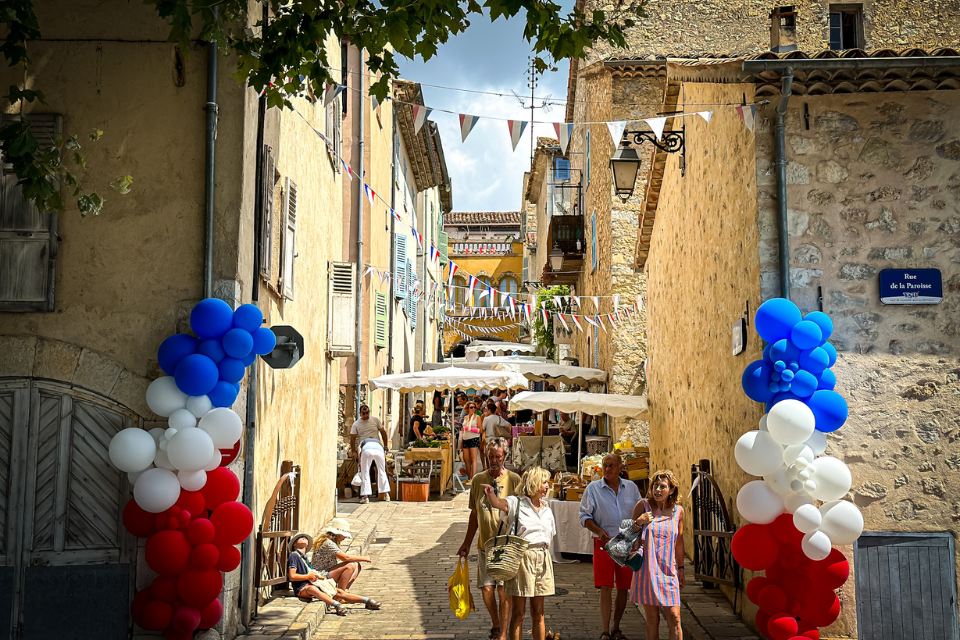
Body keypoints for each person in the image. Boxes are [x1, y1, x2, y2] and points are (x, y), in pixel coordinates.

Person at [457, 438, 522, 640]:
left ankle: (501, 633)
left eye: (498, 456)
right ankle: (496, 622)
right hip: (485, 545)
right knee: (486, 588)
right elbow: (474, 514)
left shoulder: (514, 480)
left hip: (505, 546)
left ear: (505, 457)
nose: (494, 460)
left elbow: (521, 512)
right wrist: (466, 542)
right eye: (491, 456)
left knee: (503, 590)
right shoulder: (478, 480)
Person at [482, 466, 556, 640]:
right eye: (544, 482)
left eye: (547, 482)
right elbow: (497, 503)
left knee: (539, 613)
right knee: (519, 613)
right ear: (534, 484)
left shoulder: (547, 508)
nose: (547, 486)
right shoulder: (517, 503)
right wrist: (491, 494)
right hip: (522, 559)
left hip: (542, 558)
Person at [579, 454, 642, 640]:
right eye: (605, 465)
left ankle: (616, 627)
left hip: (626, 542)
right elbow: (584, 516)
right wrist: (598, 531)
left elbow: (641, 512)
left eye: (611, 466)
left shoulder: (631, 488)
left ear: (620, 468)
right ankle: (605, 631)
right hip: (604, 543)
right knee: (605, 586)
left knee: (623, 587)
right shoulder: (593, 489)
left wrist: (639, 536)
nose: (607, 469)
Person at [629, 470, 685, 640]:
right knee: (653, 619)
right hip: (647, 570)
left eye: (662, 486)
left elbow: (679, 542)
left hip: (669, 571)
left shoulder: (678, 511)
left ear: (672, 490)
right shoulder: (642, 506)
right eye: (655, 486)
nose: (658, 490)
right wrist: (639, 522)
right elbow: (628, 534)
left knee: (675, 618)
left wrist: (681, 569)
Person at [287, 533, 377, 615]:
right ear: (294, 544)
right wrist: (308, 577)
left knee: (338, 592)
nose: (304, 538)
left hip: (314, 583)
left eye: (305, 538)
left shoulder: (304, 558)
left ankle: (367, 601)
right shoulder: (294, 556)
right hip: (302, 587)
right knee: (312, 589)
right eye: (300, 538)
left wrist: (316, 576)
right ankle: (336, 605)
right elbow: (292, 576)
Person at [310, 518, 380, 607]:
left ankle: (344, 591)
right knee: (350, 566)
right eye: (344, 535)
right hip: (321, 574)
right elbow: (345, 558)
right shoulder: (328, 543)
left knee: (357, 565)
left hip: (329, 570)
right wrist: (364, 558)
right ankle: (340, 595)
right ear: (338, 534)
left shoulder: (331, 542)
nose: (345, 538)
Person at [350, 405, 390, 504]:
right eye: (364, 413)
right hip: (377, 448)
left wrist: (358, 460)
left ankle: (365, 496)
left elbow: (383, 432)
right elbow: (352, 438)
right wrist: (353, 450)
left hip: (366, 449)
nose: (366, 415)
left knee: (365, 472)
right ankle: (386, 494)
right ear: (360, 414)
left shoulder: (375, 420)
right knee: (382, 471)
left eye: (367, 413)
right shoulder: (356, 424)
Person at [461, 400, 482, 479]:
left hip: (474, 438)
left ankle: (473, 477)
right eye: (471, 407)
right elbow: (463, 429)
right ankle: (469, 477)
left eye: (474, 407)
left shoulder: (477, 417)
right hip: (465, 438)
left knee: (473, 459)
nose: (473, 409)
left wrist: (470, 429)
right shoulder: (465, 418)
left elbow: (481, 430)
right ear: (467, 408)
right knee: (466, 459)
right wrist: (461, 441)